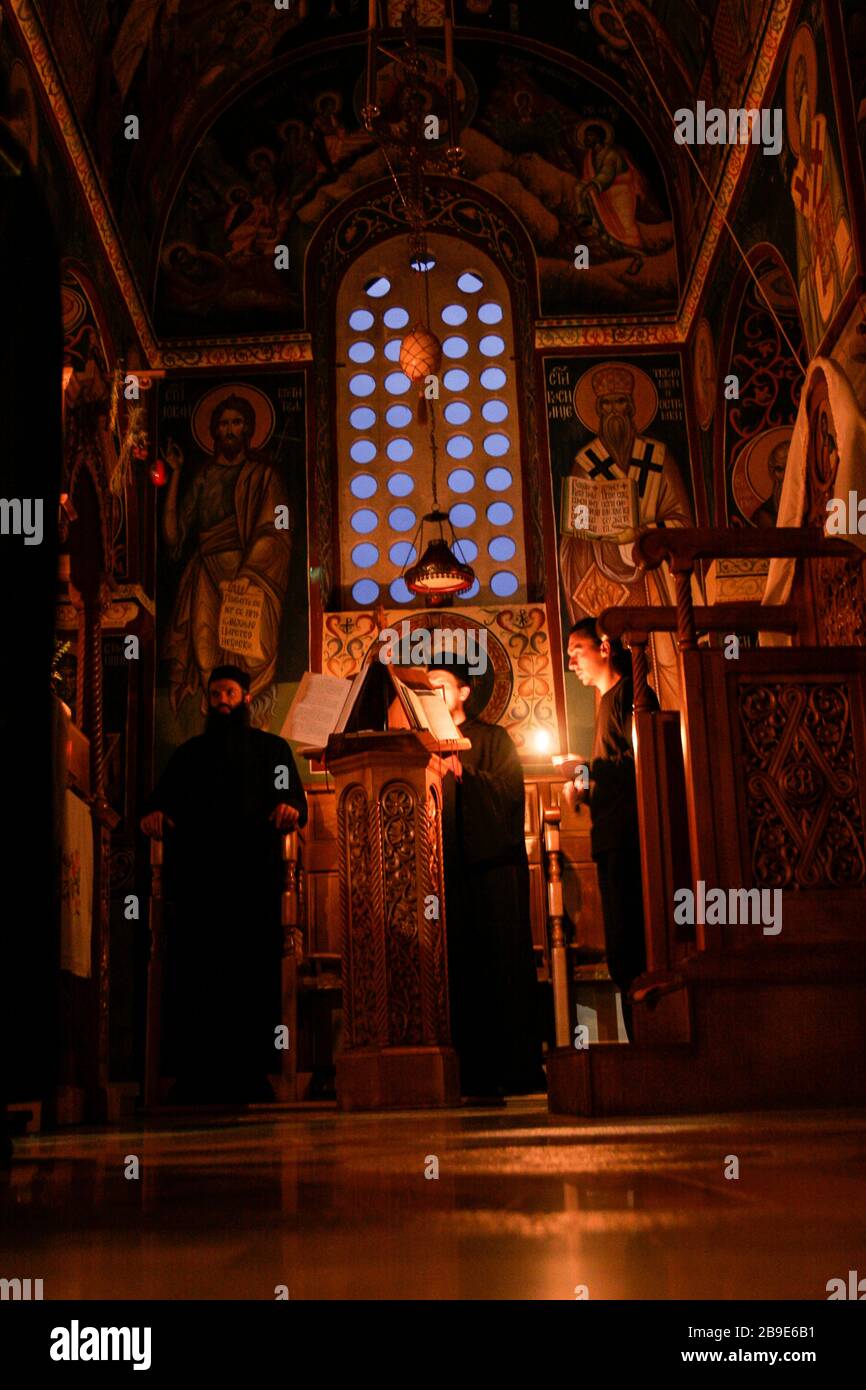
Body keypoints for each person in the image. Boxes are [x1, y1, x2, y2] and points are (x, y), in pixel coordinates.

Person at [141, 664, 307, 1102]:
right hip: (200, 888)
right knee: (196, 973)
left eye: (230, 693)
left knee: (252, 977)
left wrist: (289, 807)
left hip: (254, 885)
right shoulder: (188, 756)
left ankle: (254, 1073)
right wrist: (155, 815)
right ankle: (197, 1075)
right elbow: (159, 803)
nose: (222, 701)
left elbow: (292, 797)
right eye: (215, 694)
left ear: (246, 698)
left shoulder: (272, 753)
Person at [427, 666, 544, 1102]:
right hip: (443, 872)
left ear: (464, 691)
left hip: (491, 871)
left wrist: (464, 775)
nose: (433, 691)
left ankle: (512, 1068)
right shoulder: (422, 744)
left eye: (441, 684)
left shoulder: (493, 738)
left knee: (498, 966)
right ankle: (461, 1071)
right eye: (427, 687)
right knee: (454, 969)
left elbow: (510, 795)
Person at [561, 618, 658, 1042]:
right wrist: (582, 777)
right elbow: (609, 768)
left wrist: (584, 772)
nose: (570, 662)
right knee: (620, 946)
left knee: (633, 943)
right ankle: (639, 1043)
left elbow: (644, 764)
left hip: (631, 836)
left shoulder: (633, 697)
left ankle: (650, 1043)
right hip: (610, 834)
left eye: (575, 649)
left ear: (604, 647)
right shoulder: (605, 703)